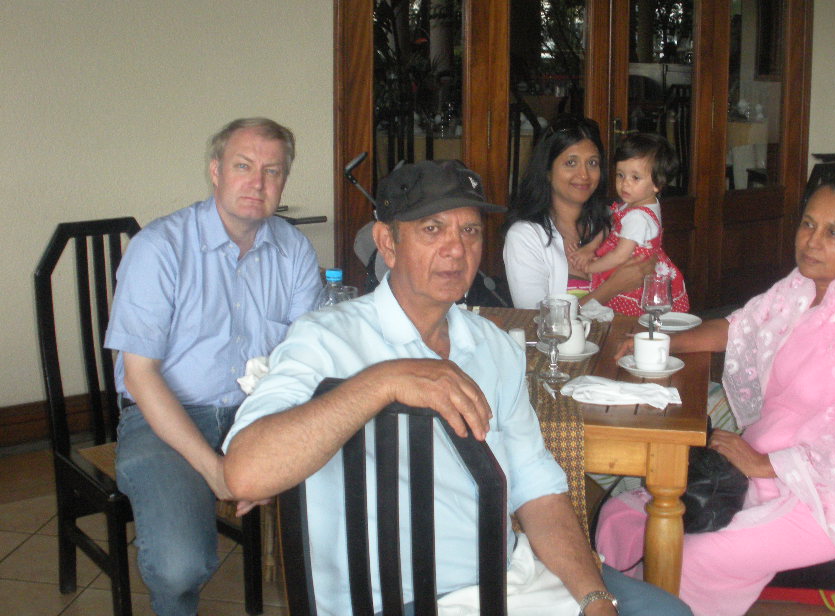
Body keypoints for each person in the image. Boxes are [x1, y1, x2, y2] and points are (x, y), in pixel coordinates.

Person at [222, 159, 692, 616]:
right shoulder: (326, 339)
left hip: (506, 579)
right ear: (387, 243)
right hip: (393, 598)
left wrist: (594, 600)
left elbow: (537, 491)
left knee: (666, 611)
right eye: (432, 229)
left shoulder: (494, 347)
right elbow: (245, 475)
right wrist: (384, 381)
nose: (456, 249)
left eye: (469, 231)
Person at [596, 182, 835, 616]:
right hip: (764, 462)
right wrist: (659, 340)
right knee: (620, 517)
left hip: (824, 494)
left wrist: (765, 464)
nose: (812, 241)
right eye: (808, 224)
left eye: (833, 232)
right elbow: (738, 327)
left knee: (689, 556)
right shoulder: (802, 286)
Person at [104, 117, 322, 616]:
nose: (258, 183)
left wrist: (267, 453)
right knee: (178, 566)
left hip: (262, 411)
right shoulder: (160, 247)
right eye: (244, 166)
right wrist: (217, 471)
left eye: (272, 171)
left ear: (284, 181)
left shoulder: (293, 249)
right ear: (216, 171)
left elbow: (304, 358)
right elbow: (139, 375)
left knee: (359, 489)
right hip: (168, 417)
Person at [503, 114, 655, 310]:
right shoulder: (525, 236)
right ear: (547, 171)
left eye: (592, 163)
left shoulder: (616, 221)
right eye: (571, 163)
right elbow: (534, 319)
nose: (584, 175)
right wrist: (613, 287)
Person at [569, 133, 689, 316]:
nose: (625, 184)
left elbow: (620, 256)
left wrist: (589, 268)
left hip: (633, 280)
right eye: (620, 175)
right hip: (634, 268)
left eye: (635, 178)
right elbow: (611, 226)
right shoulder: (640, 202)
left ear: (657, 184)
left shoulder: (637, 217)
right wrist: (591, 248)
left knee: (625, 319)